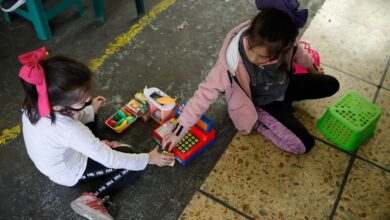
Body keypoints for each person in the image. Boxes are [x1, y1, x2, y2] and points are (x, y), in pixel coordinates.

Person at [163, 0, 339, 155]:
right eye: (251, 48)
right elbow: (204, 95)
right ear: (250, 33)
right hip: (263, 103)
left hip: (283, 85)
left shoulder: (284, 41)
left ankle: (284, 107)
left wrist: (313, 70)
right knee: (303, 145)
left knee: (332, 84)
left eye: (262, 57)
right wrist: (179, 131)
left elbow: (299, 54)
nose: (253, 57)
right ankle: (259, 122)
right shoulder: (230, 61)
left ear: (283, 47)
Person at [19, 47, 175, 220]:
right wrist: (148, 158)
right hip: (69, 172)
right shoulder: (70, 130)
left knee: (91, 120)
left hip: (59, 155)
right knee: (132, 161)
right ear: (57, 106)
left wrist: (89, 110)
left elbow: (67, 124)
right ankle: (92, 196)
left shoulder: (35, 103)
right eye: (81, 100)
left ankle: (96, 146)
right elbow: (110, 159)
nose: (87, 100)